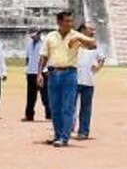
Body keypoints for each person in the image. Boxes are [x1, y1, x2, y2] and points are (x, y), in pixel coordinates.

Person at [36, 11, 97, 148]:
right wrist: (39, 73)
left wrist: (80, 40)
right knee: (55, 107)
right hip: (53, 74)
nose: (70, 24)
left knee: (67, 107)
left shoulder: (75, 34)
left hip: (69, 74)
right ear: (59, 22)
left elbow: (93, 45)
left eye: (71, 21)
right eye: (67, 21)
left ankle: (64, 137)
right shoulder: (51, 36)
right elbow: (43, 56)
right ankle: (57, 135)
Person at [75, 23, 105, 140]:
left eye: (94, 29)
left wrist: (98, 67)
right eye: (90, 29)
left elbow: (101, 58)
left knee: (86, 108)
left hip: (88, 80)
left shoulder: (95, 45)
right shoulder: (76, 43)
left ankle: (83, 131)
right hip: (74, 79)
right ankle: (66, 128)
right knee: (69, 107)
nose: (93, 31)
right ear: (83, 30)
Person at [22, 28, 50, 122]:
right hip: (31, 72)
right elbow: (27, 57)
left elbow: (47, 57)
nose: (33, 37)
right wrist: (26, 68)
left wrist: (45, 70)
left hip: (42, 72)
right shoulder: (29, 44)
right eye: (31, 35)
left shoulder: (45, 43)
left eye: (34, 35)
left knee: (45, 95)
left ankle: (49, 115)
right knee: (30, 96)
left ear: (39, 34)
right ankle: (29, 115)